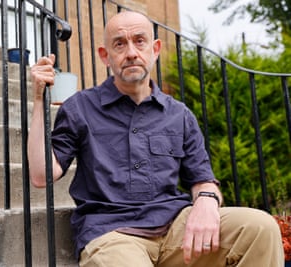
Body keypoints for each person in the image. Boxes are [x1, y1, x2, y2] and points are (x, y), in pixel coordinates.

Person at [28, 11, 283, 267]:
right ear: (105, 56)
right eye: (119, 43)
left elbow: (203, 180)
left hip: (175, 228)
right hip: (113, 234)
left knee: (260, 228)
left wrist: (206, 200)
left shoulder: (179, 114)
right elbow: (41, 175)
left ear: (155, 48)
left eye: (140, 41)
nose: (131, 53)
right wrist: (39, 99)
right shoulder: (80, 107)